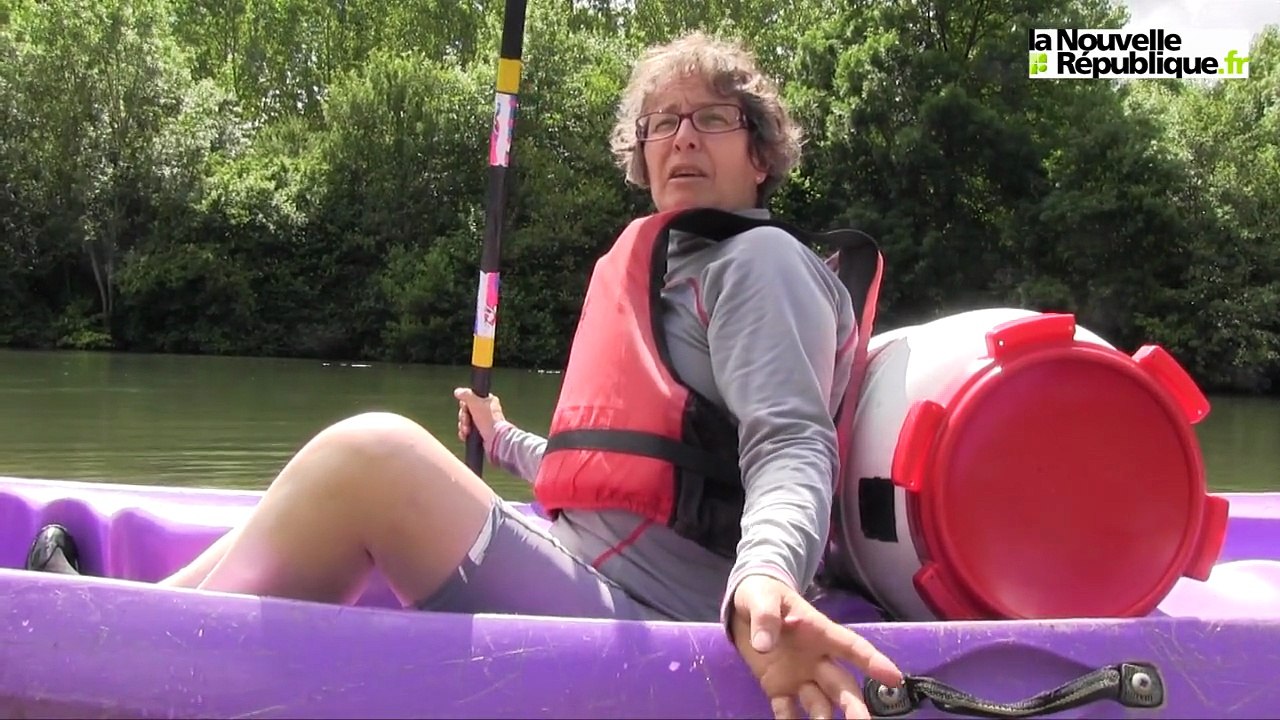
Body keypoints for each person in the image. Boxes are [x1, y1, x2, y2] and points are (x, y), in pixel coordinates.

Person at [26, 31, 901, 719]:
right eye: (662, 122)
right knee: (333, 480)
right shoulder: (676, 267)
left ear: (760, 154)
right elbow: (623, 466)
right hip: (591, 560)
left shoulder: (759, 267)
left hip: (669, 616)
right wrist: (504, 438)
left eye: (712, 117)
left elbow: (790, 445)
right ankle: (127, 616)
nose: (681, 136)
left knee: (371, 455)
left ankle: (102, 654)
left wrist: (766, 583)